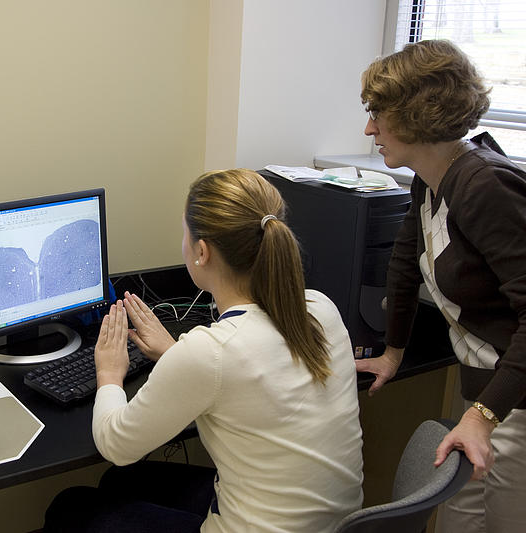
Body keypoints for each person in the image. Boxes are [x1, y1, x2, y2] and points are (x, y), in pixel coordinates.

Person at [43, 169, 364, 532]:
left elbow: (116, 446)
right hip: (331, 525)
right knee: (121, 483)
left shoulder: (210, 352)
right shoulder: (320, 309)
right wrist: (174, 352)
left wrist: (109, 373)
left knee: (70, 506)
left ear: (202, 251)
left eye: (185, 232)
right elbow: (247, 370)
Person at [355, 39, 526, 533]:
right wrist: (393, 350)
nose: (370, 128)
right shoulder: (431, 179)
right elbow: (406, 263)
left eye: (377, 114)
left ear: (416, 115)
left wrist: (485, 415)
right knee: (456, 520)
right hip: (485, 395)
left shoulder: (486, 185)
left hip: (517, 401)